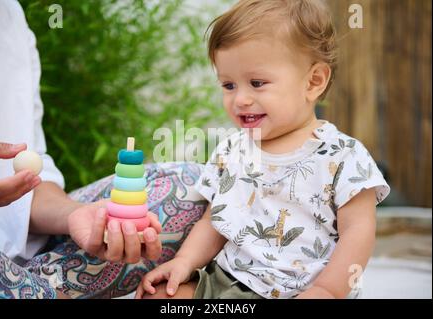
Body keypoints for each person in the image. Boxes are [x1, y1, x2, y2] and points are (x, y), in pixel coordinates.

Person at [135, 0, 390, 299]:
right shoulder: (232, 149)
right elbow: (215, 220)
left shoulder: (344, 156)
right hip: (225, 284)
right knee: (161, 297)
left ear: (313, 82)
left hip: (304, 290)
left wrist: (328, 290)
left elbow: (358, 233)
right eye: (229, 85)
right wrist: (184, 261)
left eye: (257, 83)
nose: (240, 99)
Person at [0, 0, 161, 299]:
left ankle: (33, 286)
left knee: (184, 185)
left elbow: (33, 176)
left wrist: (76, 216)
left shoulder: (7, 15)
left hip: (22, 255)